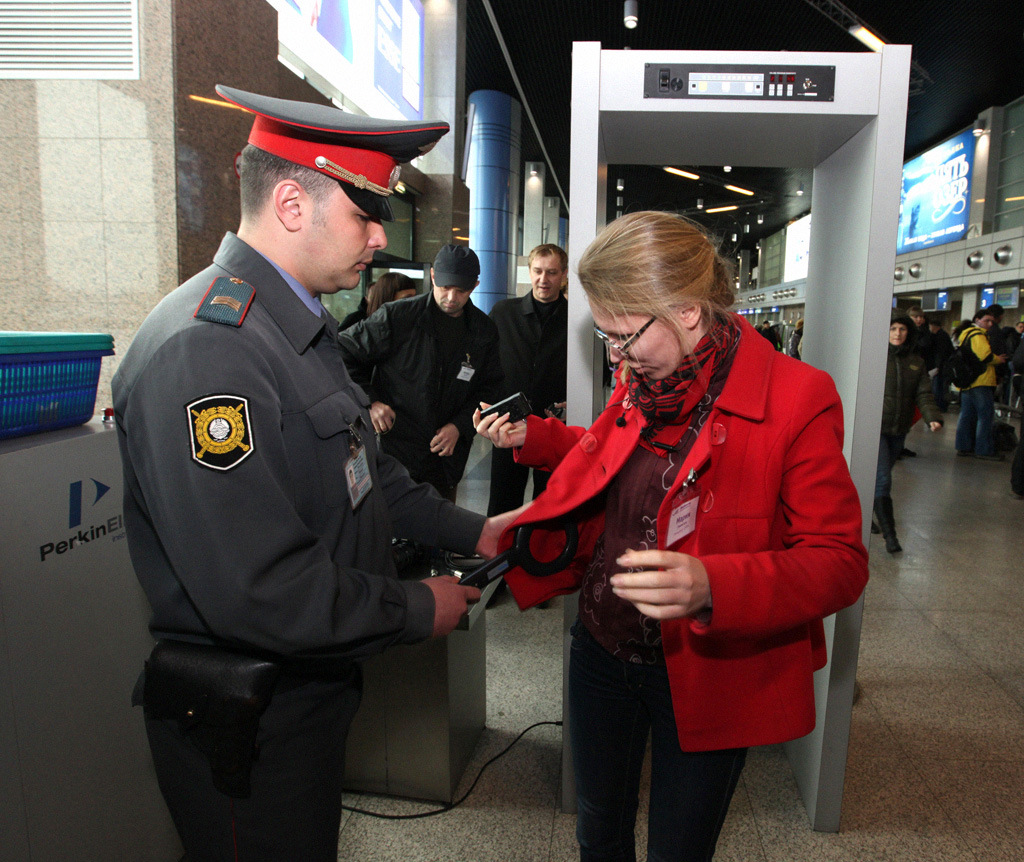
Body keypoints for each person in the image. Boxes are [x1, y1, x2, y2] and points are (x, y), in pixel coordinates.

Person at [111, 85, 513, 862]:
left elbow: (370, 476)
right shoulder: (212, 349)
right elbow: (264, 589)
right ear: (291, 204)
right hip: (251, 721)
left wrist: (478, 529)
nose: (378, 237)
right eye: (366, 214)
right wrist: (410, 608)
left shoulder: (295, 325)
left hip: (307, 696)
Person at [475, 211, 868, 862]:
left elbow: (840, 563)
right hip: (603, 643)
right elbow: (610, 459)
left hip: (710, 666)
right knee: (599, 826)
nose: (613, 356)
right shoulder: (644, 379)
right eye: (603, 336)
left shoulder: (800, 398)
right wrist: (536, 442)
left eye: (623, 336)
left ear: (687, 313)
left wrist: (715, 584)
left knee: (679, 848)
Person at [339, 243, 504, 501]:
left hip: (445, 460)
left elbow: (490, 387)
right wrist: (369, 401)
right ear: (433, 277)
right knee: (391, 533)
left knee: (439, 528)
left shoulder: (484, 331)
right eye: (445, 287)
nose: (451, 297)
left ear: (475, 286)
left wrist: (459, 427)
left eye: (461, 291)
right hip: (396, 451)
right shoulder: (397, 317)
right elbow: (342, 351)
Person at [486, 243, 569, 516]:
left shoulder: (576, 318)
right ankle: (498, 556)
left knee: (549, 503)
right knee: (503, 500)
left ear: (564, 275)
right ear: (529, 271)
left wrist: (574, 401)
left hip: (554, 426)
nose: (543, 279)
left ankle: (542, 557)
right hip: (508, 424)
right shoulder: (503, 313)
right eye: (538, 271)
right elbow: (485, 363)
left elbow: (597, 368)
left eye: (552, 272)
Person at [874, 312, 943, 553]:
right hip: (875, 428)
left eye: (902, 329)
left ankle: (867, 512)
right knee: (882, 479)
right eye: (893, 328)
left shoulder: (915, 361)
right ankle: (890, 537)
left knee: (878, 477)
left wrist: (932, 417)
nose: (897, 333)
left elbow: (923, 393)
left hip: (899, 428)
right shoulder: (874, 357)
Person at [954, 308, 1007, 460]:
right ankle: (984, 449)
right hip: (981, 380)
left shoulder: (966, 334)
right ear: (977, 320)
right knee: (985, 416)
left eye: (991, 321)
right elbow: (985, 356)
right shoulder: (978, 335)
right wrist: (999, 359)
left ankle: (963, 446)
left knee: (967, 415)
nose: (990, 324)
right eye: (986, 321)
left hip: (968, 381)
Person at [339, 271, 417, 330]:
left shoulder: (412, 324)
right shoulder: (359, 327)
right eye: (406, 298)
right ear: (388, 299)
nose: (413, 302)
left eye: (414, 297)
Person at [928, 318, 954, 411]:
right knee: (941, 387)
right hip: (944, 366)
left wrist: (938, 366)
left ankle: (940, 406)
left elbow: (941, 353)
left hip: (942, 367)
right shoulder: (943, 335)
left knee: (939, 387)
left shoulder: (940, 336)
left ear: (933, 326)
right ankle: (941, 405)